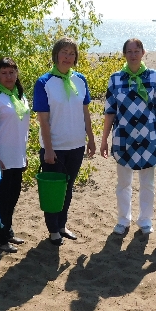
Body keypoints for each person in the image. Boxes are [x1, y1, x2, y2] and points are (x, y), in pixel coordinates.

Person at [100, 38, 156, 236]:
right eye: (129, 51)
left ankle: (145, 220)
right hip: (123, 138)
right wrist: (104, 140)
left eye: (137, 51)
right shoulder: (115, 79)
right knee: (123, 183)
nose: (133, 55)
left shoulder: (154, 77)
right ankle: (123, 220)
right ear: (124, 54)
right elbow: (110, 112)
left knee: (147, 184)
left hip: (148, 138)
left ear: (143, 53)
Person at [32, 37, 96, 246]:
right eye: (64, 52)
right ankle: (53, 230)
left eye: (71, 53)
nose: (68, 57)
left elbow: (85, 112)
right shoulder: (44, 82)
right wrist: (49, 149)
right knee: (54, 191)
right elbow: (43, 120)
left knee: (68, 188)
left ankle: (62, 225)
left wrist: (91, 138)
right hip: (55, 147)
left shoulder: (80, 80)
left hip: (76, 145)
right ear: (56, 55)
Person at [0, 57, 30, 254]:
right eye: (4, 73)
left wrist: (24, 154)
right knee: (1, 201)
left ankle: (7, 232)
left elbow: (21, 128)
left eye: (11, 72)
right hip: (1, 158)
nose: (8, 76)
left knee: (12, 198)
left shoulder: (20, 96)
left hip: (17, 157)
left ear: (17, 74)